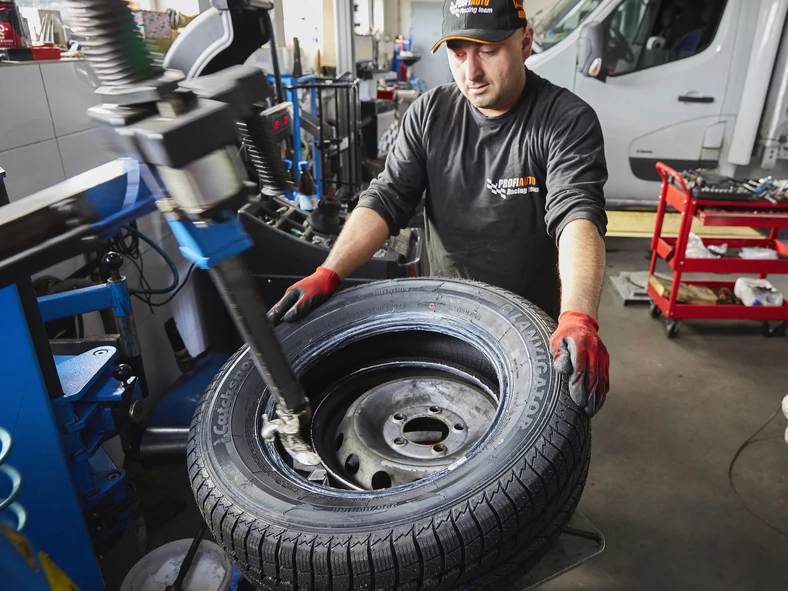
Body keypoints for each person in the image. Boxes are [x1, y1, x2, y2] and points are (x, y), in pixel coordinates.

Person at [269, 0, 610, 417]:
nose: (472, 72)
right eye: (458, 53)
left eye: (487, 50)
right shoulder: (429, 114)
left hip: (535, 329)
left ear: (525, 42)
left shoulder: (566, 120)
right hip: (446, 316)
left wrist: (578, 317)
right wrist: (329, 270)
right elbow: (387, 197)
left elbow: (576, 216)